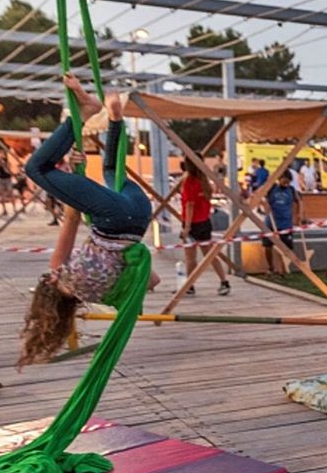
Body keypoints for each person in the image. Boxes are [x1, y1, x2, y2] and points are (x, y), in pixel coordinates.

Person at [19, 74, 159, 367]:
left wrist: (76, 179)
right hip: (111, 217)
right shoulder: (60, 272)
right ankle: (86, 112)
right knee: (36, 168)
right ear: (48, 287)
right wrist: (72, 180)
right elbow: (71, 218)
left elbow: (153, 279)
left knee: (111, 170)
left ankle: (116, 119)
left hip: (139, 216)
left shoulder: (105, 296)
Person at [179, 158, 231, 296]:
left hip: (192, 223)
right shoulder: (204, 182)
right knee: (209, 255)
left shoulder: (189, 182)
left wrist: (187, 228)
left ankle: (190, 285)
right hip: (204, 222)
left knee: (191, 258)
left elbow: (190, 205)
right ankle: (224, 281)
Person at [261, 170, 302, 277]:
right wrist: (265, 204)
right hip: (271, 222)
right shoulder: (272, 188)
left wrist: (299, 214)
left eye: (288, 182)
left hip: (286, 224)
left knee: (286, 248)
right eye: (284, 182)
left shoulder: (291, 190)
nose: (286, 184)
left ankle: (283, 269)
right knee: (268, 246)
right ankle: (271, 268)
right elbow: (260, 195)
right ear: (279, 179)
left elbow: (299, 201)